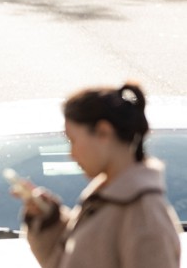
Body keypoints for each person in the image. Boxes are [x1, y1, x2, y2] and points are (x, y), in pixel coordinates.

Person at [15, 82, 182, 268]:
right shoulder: (111, 198)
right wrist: (48, 217)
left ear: (103, 131)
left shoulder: (142, 213)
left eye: (73, 140)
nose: (71, 154)